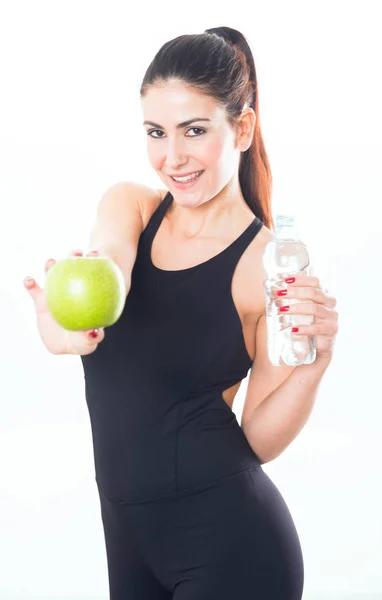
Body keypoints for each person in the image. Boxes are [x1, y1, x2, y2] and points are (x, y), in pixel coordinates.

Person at [24, 26, 338, 600]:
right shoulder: (131, 209)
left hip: (232, 549)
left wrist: (312, 367)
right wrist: (66, 324)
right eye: (156, 132)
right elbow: (86, 312)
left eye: (195, 131)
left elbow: (259, 441)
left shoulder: (266, 265)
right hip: (128, 543)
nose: (173, 158)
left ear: (242, 128)